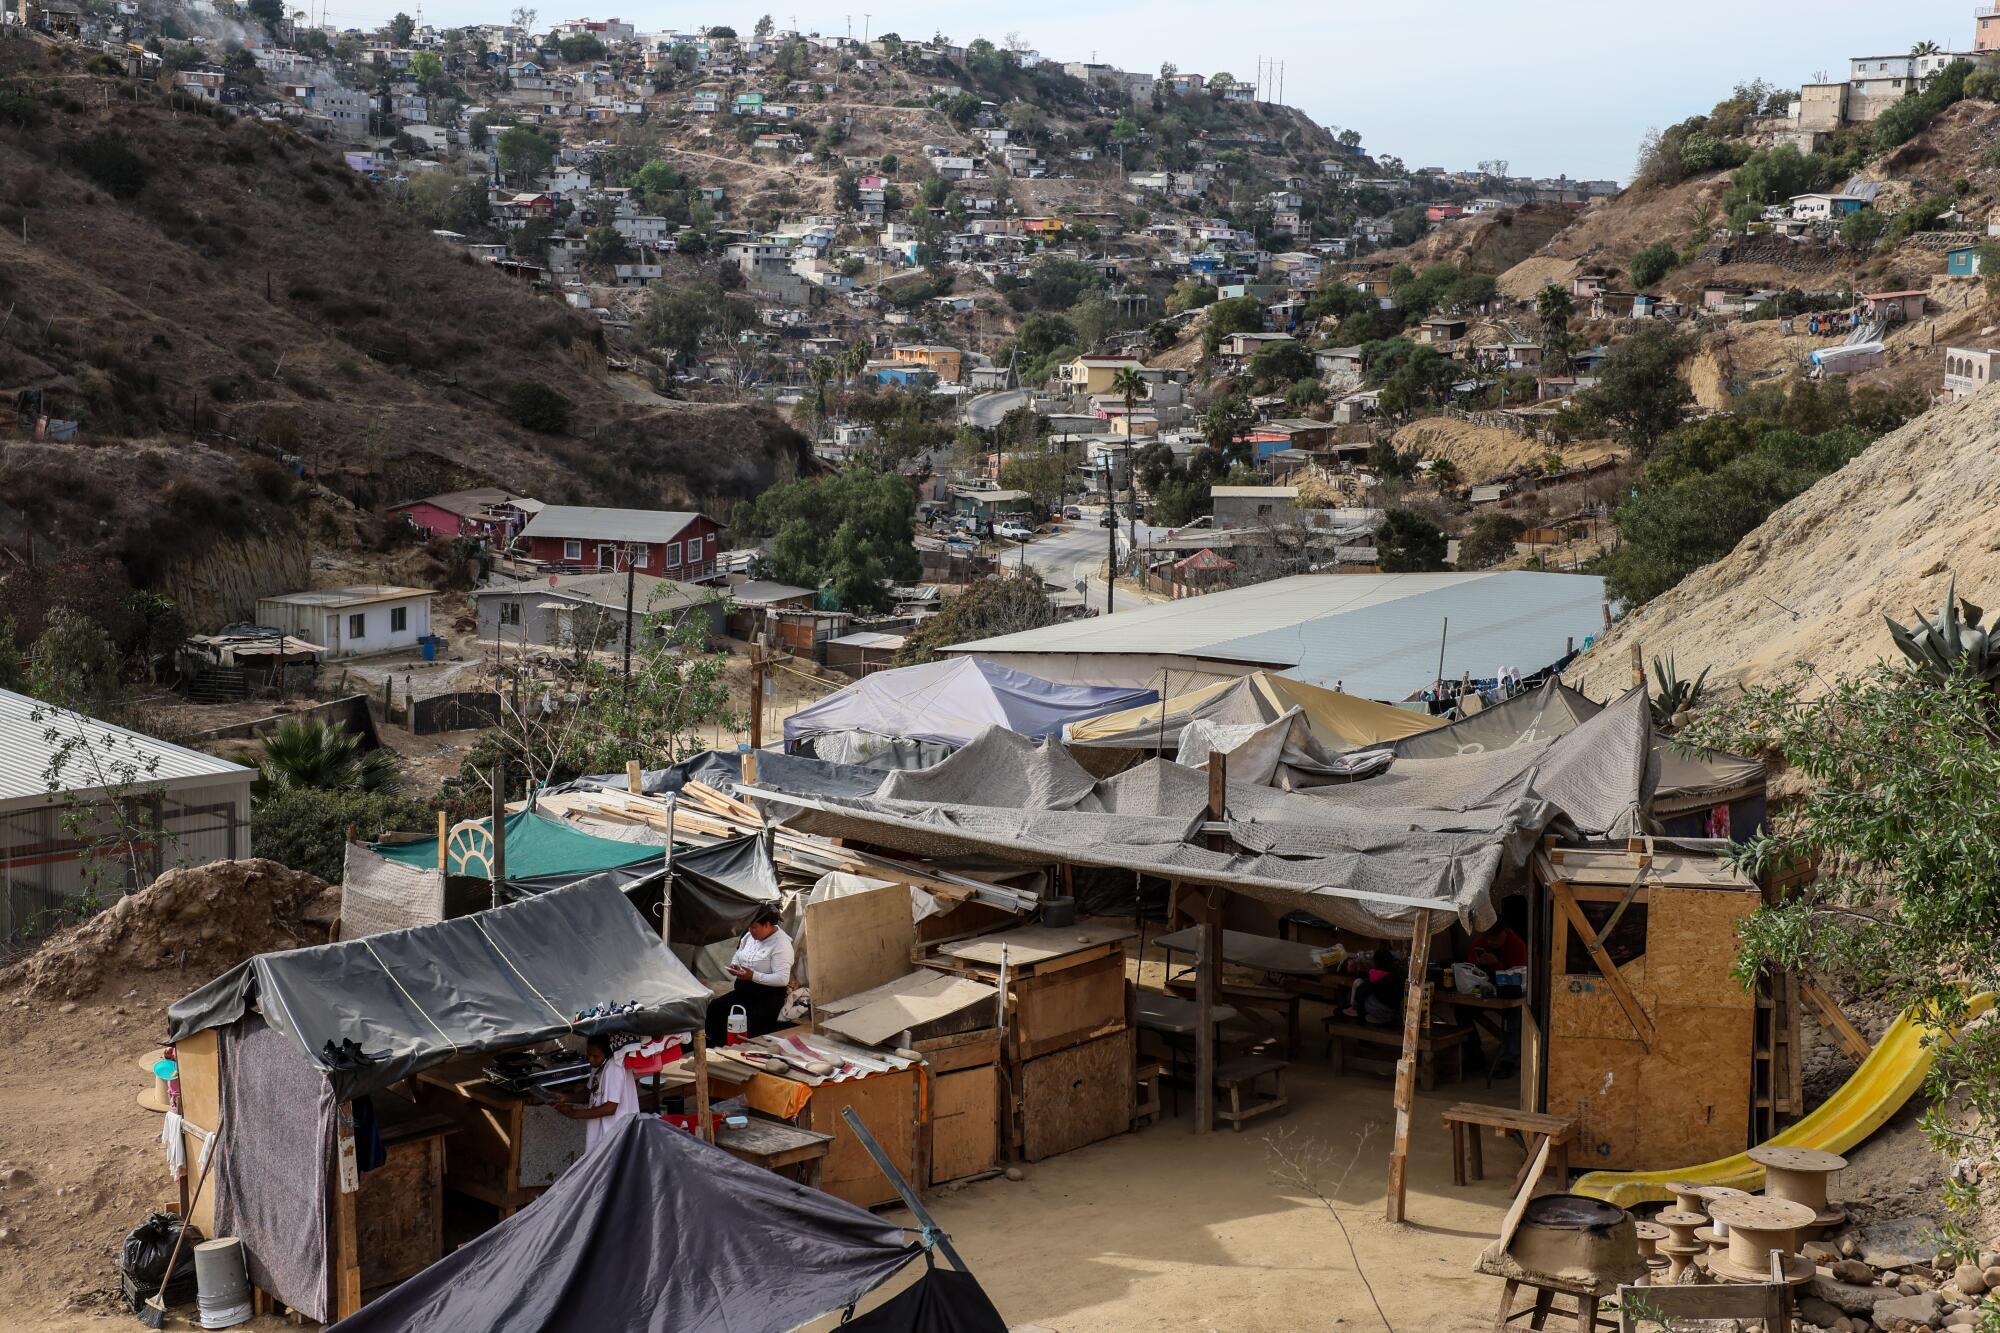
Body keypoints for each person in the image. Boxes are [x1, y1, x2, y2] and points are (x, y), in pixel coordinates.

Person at [705, 907, 795, 1046]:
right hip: (743, 992)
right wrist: (735, 965)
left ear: (767, 925)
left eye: (754, 927)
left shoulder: (781, 944)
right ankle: (712, 1044)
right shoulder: (749, 936)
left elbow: (782, 979)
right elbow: (738, 953)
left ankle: (731, 1048)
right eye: (749, 927)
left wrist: (753, 976)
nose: (750, 930)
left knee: (746, 1021)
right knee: (716, 1008)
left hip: (766, 998)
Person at [1467, 897, 1530, 1076]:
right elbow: (1469, 964)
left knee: (1516, 1015)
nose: (1491, 942)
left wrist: (1496, 964)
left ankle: (1510, 1059)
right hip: (1484, 988)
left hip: (1511, 990)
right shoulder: (1482, 942)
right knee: (1462, 1010)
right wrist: (1477, 963)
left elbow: (1517, 976)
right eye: (1489, 938)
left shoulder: (1517, 946)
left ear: (1505, 932)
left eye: (1495, 938)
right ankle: (1474, 1053)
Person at [556, 1033, 640, 1154]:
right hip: (604, 1135)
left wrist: (574, 1113)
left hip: (616, 1136)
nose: (590, 1059)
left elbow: (610, 1108)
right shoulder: (598, 1065)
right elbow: (590, 1094)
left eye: (595, 1056)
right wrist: (565, 1097)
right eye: (588, 1054)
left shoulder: (614, 1067)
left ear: (608, 1053)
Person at [1344, 946, 1402, 1025]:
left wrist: (1357, 1003)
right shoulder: (1396, 972)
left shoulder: (1375, 975)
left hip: (1382, 1011)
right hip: (1395, 1010)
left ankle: (1358, 1010)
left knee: (1361, 988)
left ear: (1375, 962)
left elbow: (1362, 991)